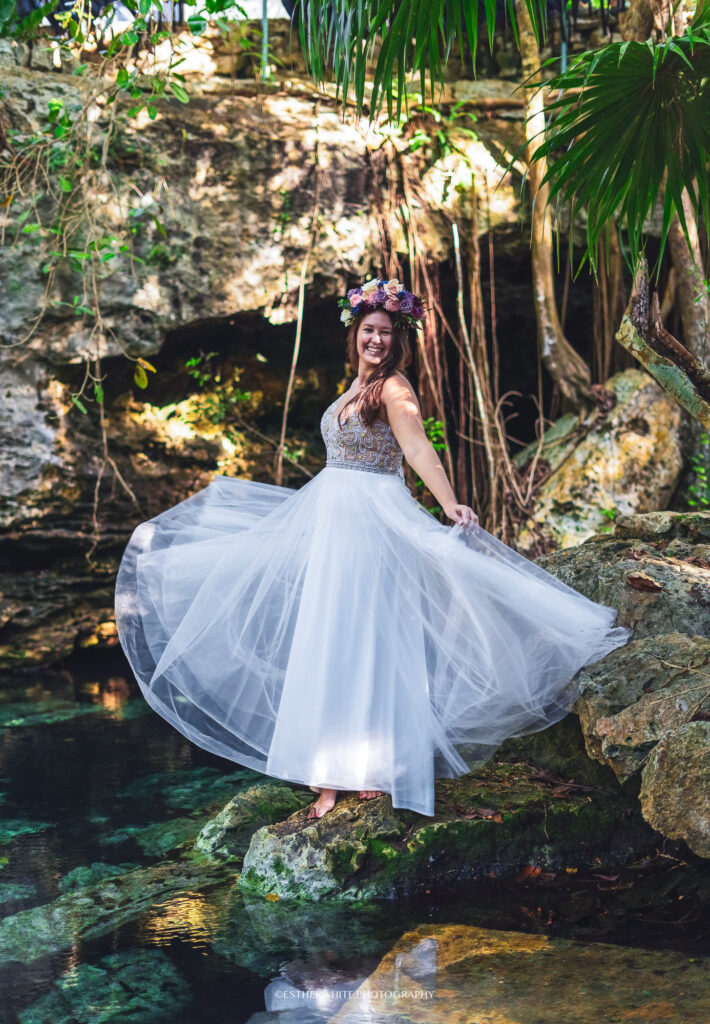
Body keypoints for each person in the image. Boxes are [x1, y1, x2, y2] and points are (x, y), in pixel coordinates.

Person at [114, 277, 631, 823]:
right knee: (329, 640)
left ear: (397, 340)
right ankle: (332, 775)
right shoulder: (354, 387)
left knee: (366, 641)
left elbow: (418, 448)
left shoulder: (394, 389)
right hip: (333, 526)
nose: (376, 340)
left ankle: (373, 768)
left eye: (385, 332)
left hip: (371, 528)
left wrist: (451, 503)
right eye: (368, 330)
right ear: (354, 334)